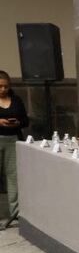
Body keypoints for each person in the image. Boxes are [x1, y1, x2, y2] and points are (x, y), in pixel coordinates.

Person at [0, 71, 29, 225]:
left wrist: (17, 123)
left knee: (13, 176)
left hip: (13, 139)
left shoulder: (16, 100)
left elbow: (26, 120)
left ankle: (16, 212)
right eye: (0, 86)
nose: (3, 89)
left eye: (6, 86)